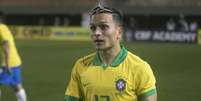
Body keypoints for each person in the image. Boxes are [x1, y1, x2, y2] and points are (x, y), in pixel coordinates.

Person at [64, 5, 157, 101]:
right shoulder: (80, 66)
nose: (97, 33)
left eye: (104, 27)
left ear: (119, 32)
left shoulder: (140, 68)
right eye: (93, 28)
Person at [0, 11, 27, 101]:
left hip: (9, 63)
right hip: (15, 61)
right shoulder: (4, 27)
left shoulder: (0, 29)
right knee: (16, 85)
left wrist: (7, 65)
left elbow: (6, 46)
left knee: (16, 85)